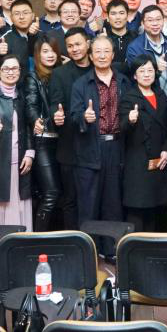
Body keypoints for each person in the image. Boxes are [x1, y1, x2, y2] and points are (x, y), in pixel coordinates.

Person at [0, 54, 36, 250]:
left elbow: (28, 128)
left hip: (20, 161)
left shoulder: (23, 96)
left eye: (15, 68)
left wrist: (30, 153)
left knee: (17, 204)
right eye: (6, 69)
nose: (11, 72)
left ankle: (17, 248)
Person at [70, 36, 128, 228]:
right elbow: (73, 115)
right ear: (91, 56)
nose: (102, 56)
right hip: (90, 149)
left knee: (114, 206)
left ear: (113, 55)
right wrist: (84, 117)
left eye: (106, 51)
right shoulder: (81, 84)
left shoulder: (123, 81)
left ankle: (111, 245)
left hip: (117, 148)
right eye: (98, 52)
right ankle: (89, 245)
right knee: (89, 207)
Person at [120, 55, 167, 232]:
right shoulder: (129, 97)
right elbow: (120, 128)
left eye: (150, 70)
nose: (146, 74)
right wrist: (130, 120)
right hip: (137, 162)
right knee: (137, 209)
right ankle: (134, 247)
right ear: (134, 76)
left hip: (159, 161)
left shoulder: (161, 95)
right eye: (141, 71)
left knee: (155, 209)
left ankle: (152, 246)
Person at [47, 29, 94, 230]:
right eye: (70, 46)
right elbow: (54, 104)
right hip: (70, 146)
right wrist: (55, 116)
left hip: (97, 145)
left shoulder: (100, 69)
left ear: (88, 44)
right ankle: (73, 243)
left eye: (78, 44)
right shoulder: (60, 73)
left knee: (94, 200)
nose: (74, 49)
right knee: (70, 200)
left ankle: (95, 243)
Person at [27, 37, 64, 231]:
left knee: (63, 195)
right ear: (37, 54)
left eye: (53, 51)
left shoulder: (63, 73)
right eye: (45, 51)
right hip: (44, 140)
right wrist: (36, 120)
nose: (50, 55)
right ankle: (38, 238)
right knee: (50, 193)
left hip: (64, 141)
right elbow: (31, 104)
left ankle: (56, 236)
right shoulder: (33, 77)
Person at [125, 5, 167, 93]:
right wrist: (156, 69)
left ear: (163, 21)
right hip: (150, 95)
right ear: (142, 23)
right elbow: (136, 78)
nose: (155, 23)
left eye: (158, 19)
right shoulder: (134, 47)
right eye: (150, 20)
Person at [2, 0, 40, 64]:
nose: (21, 17)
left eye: (25, 13)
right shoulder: (4, 39)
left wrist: (32, 36)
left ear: (33, 16)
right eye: (17, 14)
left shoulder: (44, 36)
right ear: (11, 18)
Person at [99, 0, 136, 64]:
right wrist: (102, 42)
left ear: (127, 16)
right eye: (113, 14)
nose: (117, 17)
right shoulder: (102, 38)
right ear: (107, 17)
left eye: (121, 13)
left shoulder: (136, 38)